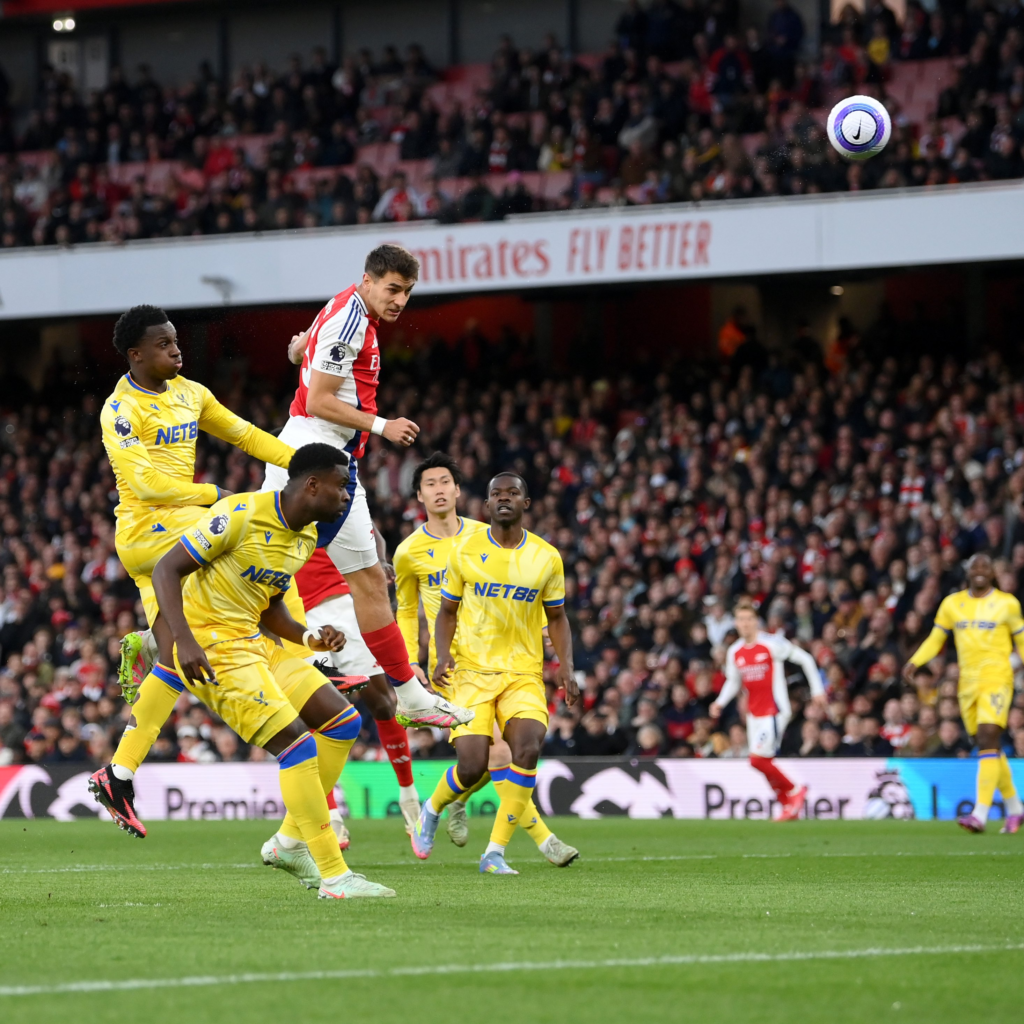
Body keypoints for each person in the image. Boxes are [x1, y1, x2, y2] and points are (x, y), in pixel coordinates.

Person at [98, 443, 395, 898]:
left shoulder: (303, 539)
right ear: (311, 484)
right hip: (211, 646)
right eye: (341, 486)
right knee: (297, 746)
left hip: (254, 642)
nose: (346, 495)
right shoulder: (241, 514)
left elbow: (270, 606)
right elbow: (166, 570)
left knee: (342, 722)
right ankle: (335, 877)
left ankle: (288, 844)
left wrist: (310, 639)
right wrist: (184, 641)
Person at [92, 305, 295, 802]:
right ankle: (307, 658)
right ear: (136, 355)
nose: (176, 350)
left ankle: (118, 775)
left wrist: (306, 463)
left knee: (175, 659)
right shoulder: (120, 410)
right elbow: (144, 483)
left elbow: (244, 434)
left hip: (179, 525)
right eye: (163, 345)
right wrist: (213, 494)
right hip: (148, 528)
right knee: (252, 537)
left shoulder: (191, 394)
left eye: (176, 341)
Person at [268, 244, 471, 730]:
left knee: (360, 578)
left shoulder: (345, 307)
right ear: (368, 280)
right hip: (315, 454)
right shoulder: (350, 319)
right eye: (393, 289)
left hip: (327, 456)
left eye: (408, 292)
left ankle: (410, 696)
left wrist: (299, 350)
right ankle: (172, 638)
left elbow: (303, 349)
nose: (400, 300)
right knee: (283, 569)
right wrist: (384, 426)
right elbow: (318, 400)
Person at [393, 452, 577, 865]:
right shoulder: (409, 552)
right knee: (487, 758)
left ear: (459, 491)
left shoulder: (488, 531)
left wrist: (544, 634)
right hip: (456, 663)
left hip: (514, 663)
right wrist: (410, 662)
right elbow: (406, 610)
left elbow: (522, 590)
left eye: (445, 482)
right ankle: (535, 836)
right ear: (419, 495)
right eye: (429, 484)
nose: (439, 490)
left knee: (503, 754)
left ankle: (477, 817)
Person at [282, 544, 422, 840]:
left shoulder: (333, 511)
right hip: (293, 614)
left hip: (340, 602)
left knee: (382, 703)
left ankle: (409, 794)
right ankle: (331, 814)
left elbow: (368, 528)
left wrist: (379, 559)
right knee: (314, 711)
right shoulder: (264, 514)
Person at [903, 553, 1024, 833]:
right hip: (966, 684)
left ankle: (979, 813)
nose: (980, 570)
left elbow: (1021, 640)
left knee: (988, 736)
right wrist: (915, 661)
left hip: (997, 679)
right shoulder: (952, 604)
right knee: (988, 747)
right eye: (975, 566)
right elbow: (936, 638)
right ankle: (1015, 808)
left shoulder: (1007, 603)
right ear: (967, 572)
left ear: (993, 573)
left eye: (986, 566)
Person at [711, 597, 825, 821]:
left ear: (756, 621)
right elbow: (733, 681)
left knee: (757, 759)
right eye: (741, 619)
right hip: (754, 714)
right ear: (735, 623)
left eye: (749, 619)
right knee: (762, 762)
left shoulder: (772, 644)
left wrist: (817, 690)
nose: (745, 624)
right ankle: (788, 806)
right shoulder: (735, 651)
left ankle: (794, 791)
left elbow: (806, 659)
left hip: (775, 710)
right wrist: (720, 702)